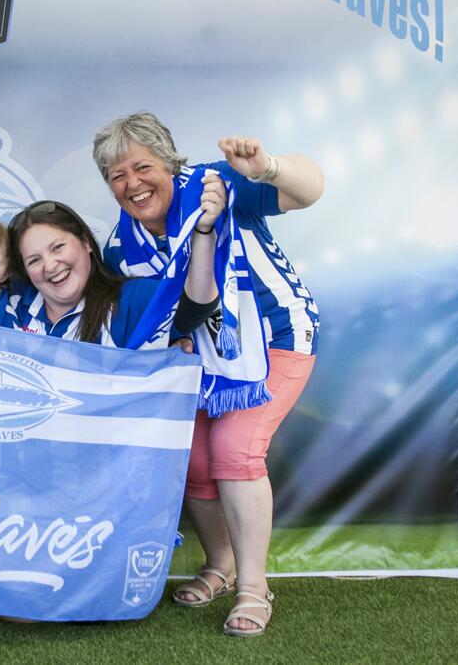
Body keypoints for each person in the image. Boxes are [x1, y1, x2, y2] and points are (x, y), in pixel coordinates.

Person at [92, 111, 323, 636]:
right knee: (193, 459)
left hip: (273, 342)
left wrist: (268, 166)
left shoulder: (217, 183)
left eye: (141, 166)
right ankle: (220, 566)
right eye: (117, 176)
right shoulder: (117, 244)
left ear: (169, 164)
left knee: (235, 450)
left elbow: (310, 188)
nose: (132, 183)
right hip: (195, 361)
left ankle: (254, 587)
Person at [4, 198, 221, 348]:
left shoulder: (128, 300)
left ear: (86, 242)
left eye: (58, 247)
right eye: (34, 260)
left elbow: (194, 307)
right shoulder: (11, 305)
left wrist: (204, 230)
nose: (50, 265)